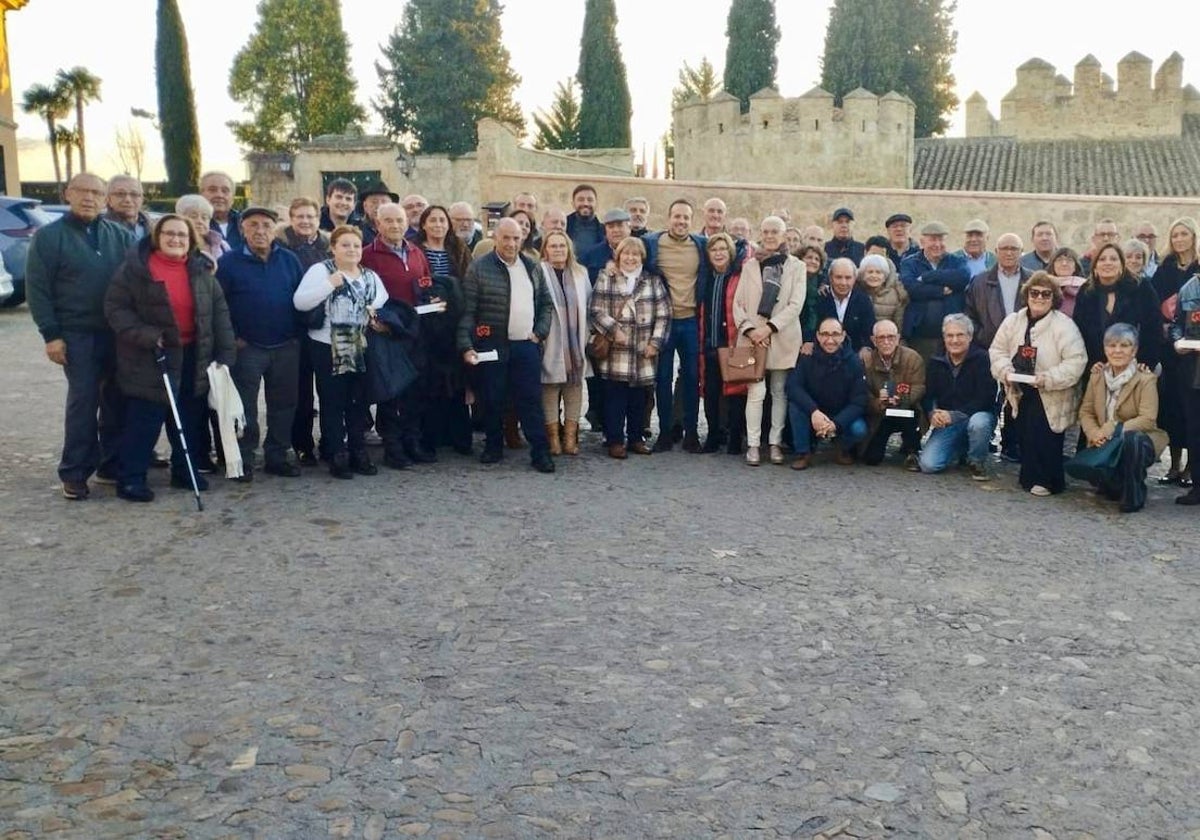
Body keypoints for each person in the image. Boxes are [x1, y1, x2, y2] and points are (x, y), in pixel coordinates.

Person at [103, 214, 236, 501]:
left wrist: (225, 352)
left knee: (187, 416)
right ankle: (131, 478)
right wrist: (146, 335)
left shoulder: (201, 270)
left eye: (182, 235)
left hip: (193, 354)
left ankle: (184, 470)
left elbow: (219, 312)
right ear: (157, 237)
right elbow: (116, 309)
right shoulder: (135, 270)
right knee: (145, 418)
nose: (176, 239)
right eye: (169, 234)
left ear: (191, 241)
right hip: (151, 354)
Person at [26, 173, 135, 499]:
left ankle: (110, 464)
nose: (90, 198)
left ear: (105, 200)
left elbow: (137, 279)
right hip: (76, 335)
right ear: (67, 194)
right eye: (83, 191)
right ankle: (74, 472)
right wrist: (51, 335)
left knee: (117, 400)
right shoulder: (48, 237)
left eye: (97, 193)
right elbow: (38, 290)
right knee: (83, 401)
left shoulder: (120, 235)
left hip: (117, 333)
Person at [458, 217, 556, 472]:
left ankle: (540, 452)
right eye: (506, 238)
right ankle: (493, 446)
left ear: (522, 238)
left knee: (530, 400)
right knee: (492, 398)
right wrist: (466, 345)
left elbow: (546, 304)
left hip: (526, 345)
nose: (511, 243)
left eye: (516, 238)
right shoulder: (479, 268)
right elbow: (468, 311)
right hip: (492, 344)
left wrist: (540, 333)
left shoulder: (532, 266)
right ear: (495, 238)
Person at [216, 207, 305, 480]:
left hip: (286, 345)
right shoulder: (229, 263)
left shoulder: (289, 260)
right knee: (245, 408)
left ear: (274, 228)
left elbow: (301, 298)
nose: (260, 230)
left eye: (266, 225)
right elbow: (219, 305)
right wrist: (232, 339)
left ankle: (277, 455)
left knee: (284, 404)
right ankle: (242, 459)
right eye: (253, 224)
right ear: (242, 229)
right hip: (248, 347)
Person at [294, 225, 388, 478]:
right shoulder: (321, 271)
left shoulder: (368, 275)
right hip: (326, 346)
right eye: (345, 245)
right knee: (332, 402)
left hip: (359, 346)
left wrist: (374, 313)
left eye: (356, 245)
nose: (351, 250)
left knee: (357, 403)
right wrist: (328, 285)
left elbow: (381, 299)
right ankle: (336, 453)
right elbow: (300, 302)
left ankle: (358, 451)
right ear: (333, 247)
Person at [989, 273, 1087, 496]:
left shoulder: (1064, 325)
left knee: (1047, 438)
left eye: (1045, 294)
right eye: (1034, 293)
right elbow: (997, 350)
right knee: (1025, 435)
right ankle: (1029, 477)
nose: (1039, 297)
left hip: (1051, 392)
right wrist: (1005, 371)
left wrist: (1049, 378)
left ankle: (1048, 481)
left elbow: (1076, 360)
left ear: (1054, 298)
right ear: (1027, 294)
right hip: (1021, 390)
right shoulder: (1013, 321)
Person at [361, 202, 434, 467]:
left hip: (414, 329)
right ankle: (392, 447)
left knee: (415, 390)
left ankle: (411, 442)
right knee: (391, 391)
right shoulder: (368, 255)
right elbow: (363, 292)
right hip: (386, 332)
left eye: (399, 220)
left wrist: (433, 299)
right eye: (388, 221)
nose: (395, 226)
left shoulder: (416, 252)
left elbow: (425, 283)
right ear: (378, 224)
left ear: (406, 223)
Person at [734, 216, 806, 466]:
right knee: (756, 392)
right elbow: (738, 304)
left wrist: (770, 328)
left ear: (784, 235)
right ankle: (754, 445)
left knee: (778, 392)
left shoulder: (797, 266)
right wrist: (752, 330)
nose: (770, 235)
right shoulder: (750, 265)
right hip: (753, 338)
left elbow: (796, 304)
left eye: (775, 231)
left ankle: (775, 443)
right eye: (766, 231)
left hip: (782, 337)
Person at [590, 236, 670, 458]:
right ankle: (615, 440)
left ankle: (636, 438)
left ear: (642, 257)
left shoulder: (652, 281)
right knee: (615, 398)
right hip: (617, 350)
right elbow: (596, 309)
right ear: (618, 255)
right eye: (626, 253)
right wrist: (614, 330)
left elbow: (664, 314)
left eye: (635, 254)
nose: (630, 258)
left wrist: (655, 342)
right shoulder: (607, 277)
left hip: (643, 350)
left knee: (639, 399)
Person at [1077, 323, 1167, 512]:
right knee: (1110, 491)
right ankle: (1114, 481)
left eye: (1124, 346)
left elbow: (1148, 418)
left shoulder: (1145, 379)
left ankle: (1133, 495)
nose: (1117, 351)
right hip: (1104, 441)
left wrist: (1113, 428)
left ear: (1134, 350)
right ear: (1105, 349)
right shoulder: (1097, 376)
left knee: (1133, 440)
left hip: (1137, 441)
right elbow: (1086, 411)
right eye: (1112, 345)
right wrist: (1094, 433)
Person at [643, 198, 706, 452]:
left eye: (686, 218)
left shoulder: (701, 245)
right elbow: (631, 256)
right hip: (664, 322)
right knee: (662, 379)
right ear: (669, 218)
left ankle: (691, 433)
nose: (681, 221)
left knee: (692, 379)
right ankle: (665, 433)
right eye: (677, 216)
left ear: (692, 221)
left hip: (691, 321)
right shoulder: (652, 244)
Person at [413, 204, 472, 456]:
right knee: (430, 381)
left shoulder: (458, 249)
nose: (438, 225)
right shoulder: (415, 251)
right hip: (427, 324)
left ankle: (458, 436)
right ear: (423, 224)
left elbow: (470, 280)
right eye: (433, 220)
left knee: (457, 380)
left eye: (442, 220)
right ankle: (431, 436)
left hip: (454, 321)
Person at [277, 198, 331, 467]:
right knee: (300, 392)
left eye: (310, 216)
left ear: (318, 219)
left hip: (324, 325)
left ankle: (330, 441)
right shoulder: (281, 247)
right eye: (300, 216)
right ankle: (302, 444)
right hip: (293, 326)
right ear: (291, 218)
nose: (305, 221)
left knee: (328, 388)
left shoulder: (328, 246)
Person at [919, 314, 997, 479]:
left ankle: (976, 461)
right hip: (948, 422)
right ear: (944, 337)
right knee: (928, 465)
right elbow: (928, 395)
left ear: (970, 336)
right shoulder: (935, 361)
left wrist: (953, 415)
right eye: (950, 335)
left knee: (979, 424)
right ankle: (960, 448)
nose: (954, 340)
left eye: (960, 335)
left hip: (976, 415)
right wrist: (932, 413)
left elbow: (986, 398)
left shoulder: (983, 359)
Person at [1150, 217, 1198, 487]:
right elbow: (1154, 302)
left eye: (1184, 234)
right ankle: (1175, 464)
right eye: (1175, 234)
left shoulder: (1198, 268)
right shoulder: (1165, 268)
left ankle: (1192, 467)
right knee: (1170, 408)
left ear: (1193, 236)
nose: (1179, 239)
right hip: (1169, 349)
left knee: (1191, 409)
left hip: (1194, 350)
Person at [784, 317, 868, 469]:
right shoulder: (806, 357)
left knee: (859, 429)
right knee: (795, 406)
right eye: (825, 334)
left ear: (843, 336)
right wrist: (814, 411)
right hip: (814, 409)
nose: (830, 340)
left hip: (841, 413)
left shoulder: (854, 362)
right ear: (817, 335)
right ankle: (803, 452)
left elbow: (859, 401)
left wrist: (836, 423)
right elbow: (793, 387)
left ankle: (841, 448)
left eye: (835, 334)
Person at [539, 230, 592, 456]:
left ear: (569, 248)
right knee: (549, 388)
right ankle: (553, 439)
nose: (558, 249)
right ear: (546, 250)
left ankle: (570, 436)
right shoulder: (538, 272)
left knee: (574, 388)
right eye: (553, 246)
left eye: (562, 245)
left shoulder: (580, 273)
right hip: (549, 338)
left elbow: (589, 306)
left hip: (575, 341)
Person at [1072, 242, 1161, 372]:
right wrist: (1091, 363)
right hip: (1098, 368)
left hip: (1136, 366)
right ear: (1095, 266)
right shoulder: (1086, 292)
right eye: (1102, 259)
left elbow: (1154, 328)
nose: (1108, 263)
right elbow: (1079, 332)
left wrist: (1146, 361)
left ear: (1122, 265)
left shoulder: (1141, 288)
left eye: (1113, 259)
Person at [697, 232, 749, 453]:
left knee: (737, 393)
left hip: (734, 342)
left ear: (729, 252)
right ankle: (713, 435)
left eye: (722, 249)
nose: (718, 254)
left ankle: (735, 438)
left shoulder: (739, 276)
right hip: (710, 342)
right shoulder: (706, 277)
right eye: (714, 250)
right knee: (711, 392)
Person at [900, 221, 971, 360]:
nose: (937, 244)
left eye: (941, 239)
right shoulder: (910, 263)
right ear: (922, 242)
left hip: (952, 336)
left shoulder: (956, 261)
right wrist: (940, 291)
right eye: (933, 239)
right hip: (920, 335)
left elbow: (962, 277)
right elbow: (913, 288)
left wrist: (928, 276)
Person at [859, 319, 924, 470]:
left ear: (898, 338)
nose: (886, 342)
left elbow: (919, 387)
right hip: (881, 413)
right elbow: (863, 393)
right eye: (881, 338)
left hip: (907, 410)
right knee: (871, 459)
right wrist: (877, 402)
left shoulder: (913, 358)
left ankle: (912, 451)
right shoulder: (866, 361)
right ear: (873, 340)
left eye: (891, 337)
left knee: (909, 414)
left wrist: (902, 398)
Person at [1170, 269, 1200, 505]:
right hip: (1192, 368)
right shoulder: (1188, 288)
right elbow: (1176, 324)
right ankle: (1198, 487)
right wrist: (1178, 341)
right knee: (1195, 428)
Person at [816, 256, 875, 352]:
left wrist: (866, 347)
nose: (843, 283)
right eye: (838, 277)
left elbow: (869, 330)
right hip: (822, 353)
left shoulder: (863, 300)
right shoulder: (821, 297)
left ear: (854, 279)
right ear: (830, 278)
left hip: (854, 354)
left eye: (848, 278)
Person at [857, 253, 908, 333]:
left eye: (878, 272)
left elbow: (899, 325)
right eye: (870, 272)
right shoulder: (856, 292)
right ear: (863, 275)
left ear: (885, 276)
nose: (874, 275)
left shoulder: (896, 295)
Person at [176, 194, 229, 269]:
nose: (200, 221)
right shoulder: (176, 245)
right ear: (180, 218)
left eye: (204, 218)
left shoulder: (223, 245)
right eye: (193, 217)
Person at [580, 208, 632, 283]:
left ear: (629, 228)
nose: (615, 230)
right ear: (605, 230)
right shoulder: (591, 254)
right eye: (611, 227)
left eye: (620, 225)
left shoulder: (641, 250)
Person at [200, 171, 242, 252]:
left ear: (233, 198)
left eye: (225, 191)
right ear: (201, 195)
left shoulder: (246, 223)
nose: (219, 195)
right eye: (212, 190)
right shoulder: (191, 226)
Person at [103, 175, 151, 240]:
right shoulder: (101, 229)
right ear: (108, 199)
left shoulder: (156, 228)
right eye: (120, 194)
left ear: (142, 199)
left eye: (134, 194)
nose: (128, 199)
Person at [1047, 246, 1086, 318]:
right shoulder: (1044, 286)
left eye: (1069, 260)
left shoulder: (1085, 287)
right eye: (1059, 260)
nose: (1064, 263)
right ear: (1053, 265)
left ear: (1075, 267)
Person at [356, 181, 399, 246]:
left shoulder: (399, 230)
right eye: (374, 202)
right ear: (365, 206)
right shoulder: (356, 231)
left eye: (384, 202)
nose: (379, 206)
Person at [566, 183, 603, 257]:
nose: (585, 203)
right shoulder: (564, 226)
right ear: (573, 203)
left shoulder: (604, 231)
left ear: (596, 204)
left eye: (590, 200)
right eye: (581, 200)